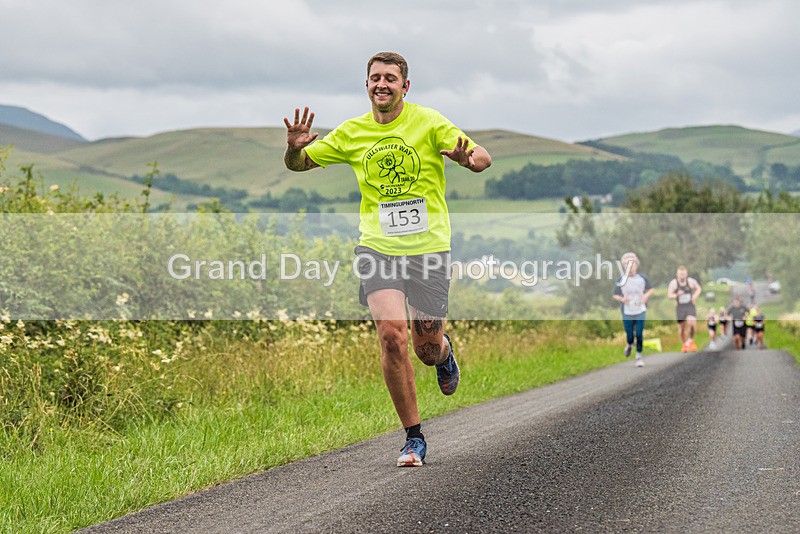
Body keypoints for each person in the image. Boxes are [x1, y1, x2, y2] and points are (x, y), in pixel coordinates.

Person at [283, 51, 492, 467]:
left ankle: (444, 352)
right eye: (375, 78)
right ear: (366, 86)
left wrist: (469, 161)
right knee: (391, 336)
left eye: (390, 78)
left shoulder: (429, 122)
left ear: (405, 86)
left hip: (428, 247)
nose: (382, 84)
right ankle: (413, 438)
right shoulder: (352, 133)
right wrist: (293, 150)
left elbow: (480, 157)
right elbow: (299, 165)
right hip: (377, 248)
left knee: (424, 349)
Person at [613, 252, 654, 367]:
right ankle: (630, 344)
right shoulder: (621, 279)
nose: (629, 266)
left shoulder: (642, 278)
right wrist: (622, 299)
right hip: (627, 310)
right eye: (626, 264)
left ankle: (639, 356)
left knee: (639, 333)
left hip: (640, 309)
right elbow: (615, 294)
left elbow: (651, 289)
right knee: (630, 334)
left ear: (636, 264)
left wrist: (646, 296)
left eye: (632, 264)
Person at [667, 266, 702, 353]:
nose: (682, 275)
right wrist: (676, 295)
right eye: (680, 274)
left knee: (692, 323)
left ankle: (690, 340)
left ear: (686, 274)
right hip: (680, 307)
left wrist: (694, 296)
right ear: (677, 274)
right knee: (682, 327)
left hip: (690, 305)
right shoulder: (674, 283)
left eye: (683, 274)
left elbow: (699, 288)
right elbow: (669, 295)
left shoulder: (690, 281)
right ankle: (684, 344)